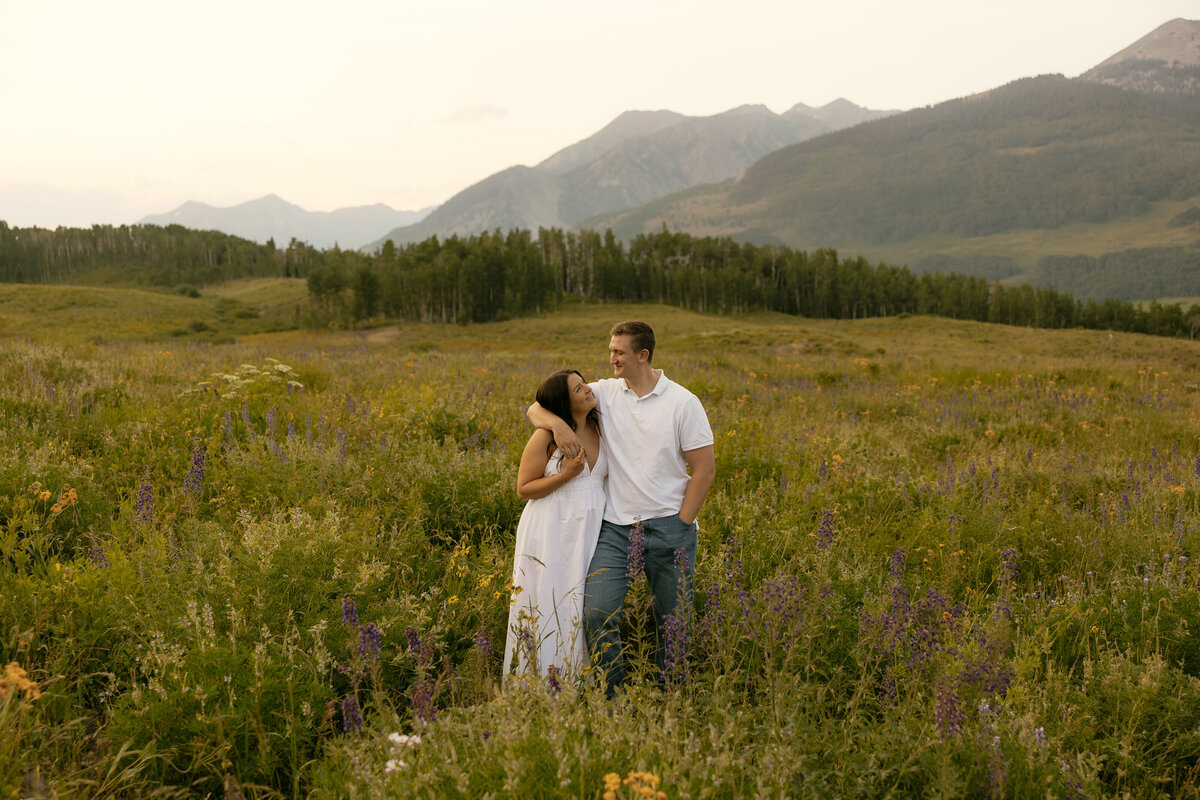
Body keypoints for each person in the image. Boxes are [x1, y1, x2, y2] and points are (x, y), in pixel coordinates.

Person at [527, 320, 714, 695]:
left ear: (642, 356)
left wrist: (683, 523)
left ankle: (669, 696)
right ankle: (614, 697)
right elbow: (539, 404)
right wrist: (558, 427)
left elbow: (705, 469)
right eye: (611, 349)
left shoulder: (683, 403)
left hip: (669, 526)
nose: (610, 358)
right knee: (597, 614)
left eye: (619, 352)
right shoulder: (605, 393)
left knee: (673, 620)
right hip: (615, 528)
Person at [503, 369, 607, 680]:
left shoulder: (599, 424)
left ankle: (585, 677)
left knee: (584, 602)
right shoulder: (545, 437)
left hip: (590, 526)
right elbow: (523, 489)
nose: (587, 388)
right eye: (578, 388)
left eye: (583, 381)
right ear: (564, 402)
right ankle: (547, 681)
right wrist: (566, 475)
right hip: (551, 528)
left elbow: (535, 409)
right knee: (552, 599)